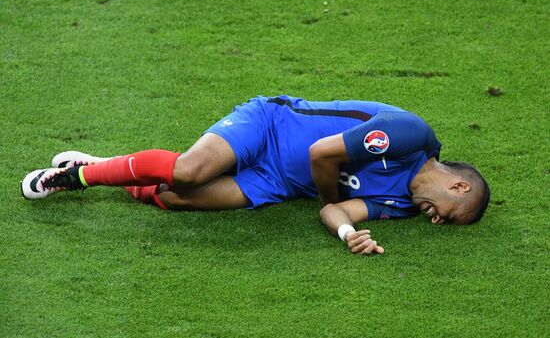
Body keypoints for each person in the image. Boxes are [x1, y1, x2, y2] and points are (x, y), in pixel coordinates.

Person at [21, 95, 491, 255]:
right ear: (459, 185)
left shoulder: (407, 205)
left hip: (276, 183)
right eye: (451, 215)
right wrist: (326, 202)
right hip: (270, 126)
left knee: (174, 197)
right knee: (187, 172)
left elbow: (340, 211)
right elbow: (323, 155)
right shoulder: (411, 134)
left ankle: (96, 164)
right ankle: (74, 179)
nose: (436, 221)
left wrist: (348, 231)